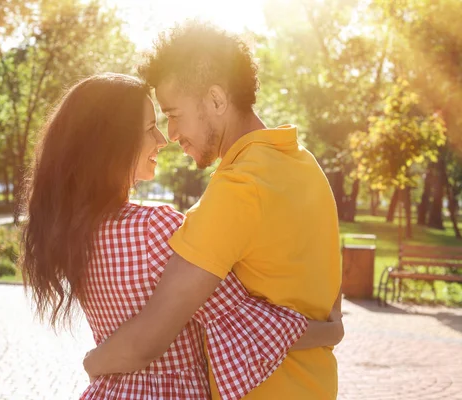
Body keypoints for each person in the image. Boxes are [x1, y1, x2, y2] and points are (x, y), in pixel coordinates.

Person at [19, 73, 343, 399]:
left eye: (169, 118)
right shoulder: (155, 229)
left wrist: (95, 362)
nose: (164, 138)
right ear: (111, 142)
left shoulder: (79, 230)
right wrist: (330, 331)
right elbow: (245, 326)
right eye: (150, 128)